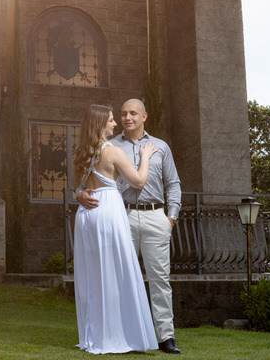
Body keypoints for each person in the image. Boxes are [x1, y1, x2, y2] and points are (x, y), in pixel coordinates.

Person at [78, 99, 182, 354]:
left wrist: (171, 217)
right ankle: (124, 333)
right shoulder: (109, 146)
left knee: (160, 279)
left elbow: (173, 183)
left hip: (155, 216)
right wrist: (79, 194)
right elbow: (84, 184)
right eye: (122, 114)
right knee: (119, 277)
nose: (126, 118)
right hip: (120, 216)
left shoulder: (161, 147)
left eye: (132, 113)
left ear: (144, 116)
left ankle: (166, 336)